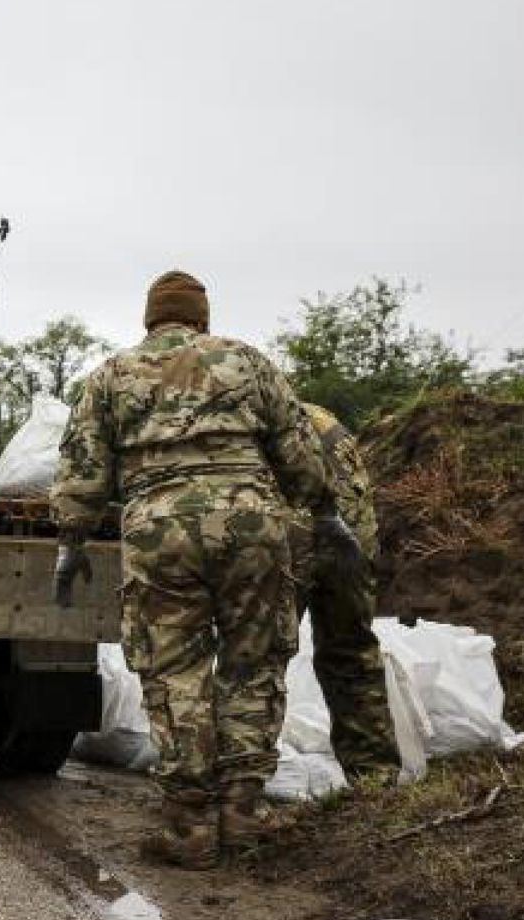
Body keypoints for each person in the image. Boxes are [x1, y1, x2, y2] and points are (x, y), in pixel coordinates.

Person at [51, 270, 361, 870]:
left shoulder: (111, 375)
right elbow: (299, 451)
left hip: (158, 529)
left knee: (175, 670)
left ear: (149, 318)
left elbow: (82, 469)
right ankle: (245, 811)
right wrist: (326, 515)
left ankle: (189, 824)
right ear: (203, 317)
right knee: (254, 659)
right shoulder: (249, 363)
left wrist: (72, 542)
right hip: (251, 524)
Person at [288, 401, 398, 783]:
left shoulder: (259, 420)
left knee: (258, 662)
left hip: (299, 532)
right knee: (352, 652)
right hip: (354, 538)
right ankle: (375, 779)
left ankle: (240, 794)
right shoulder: (323, 417)